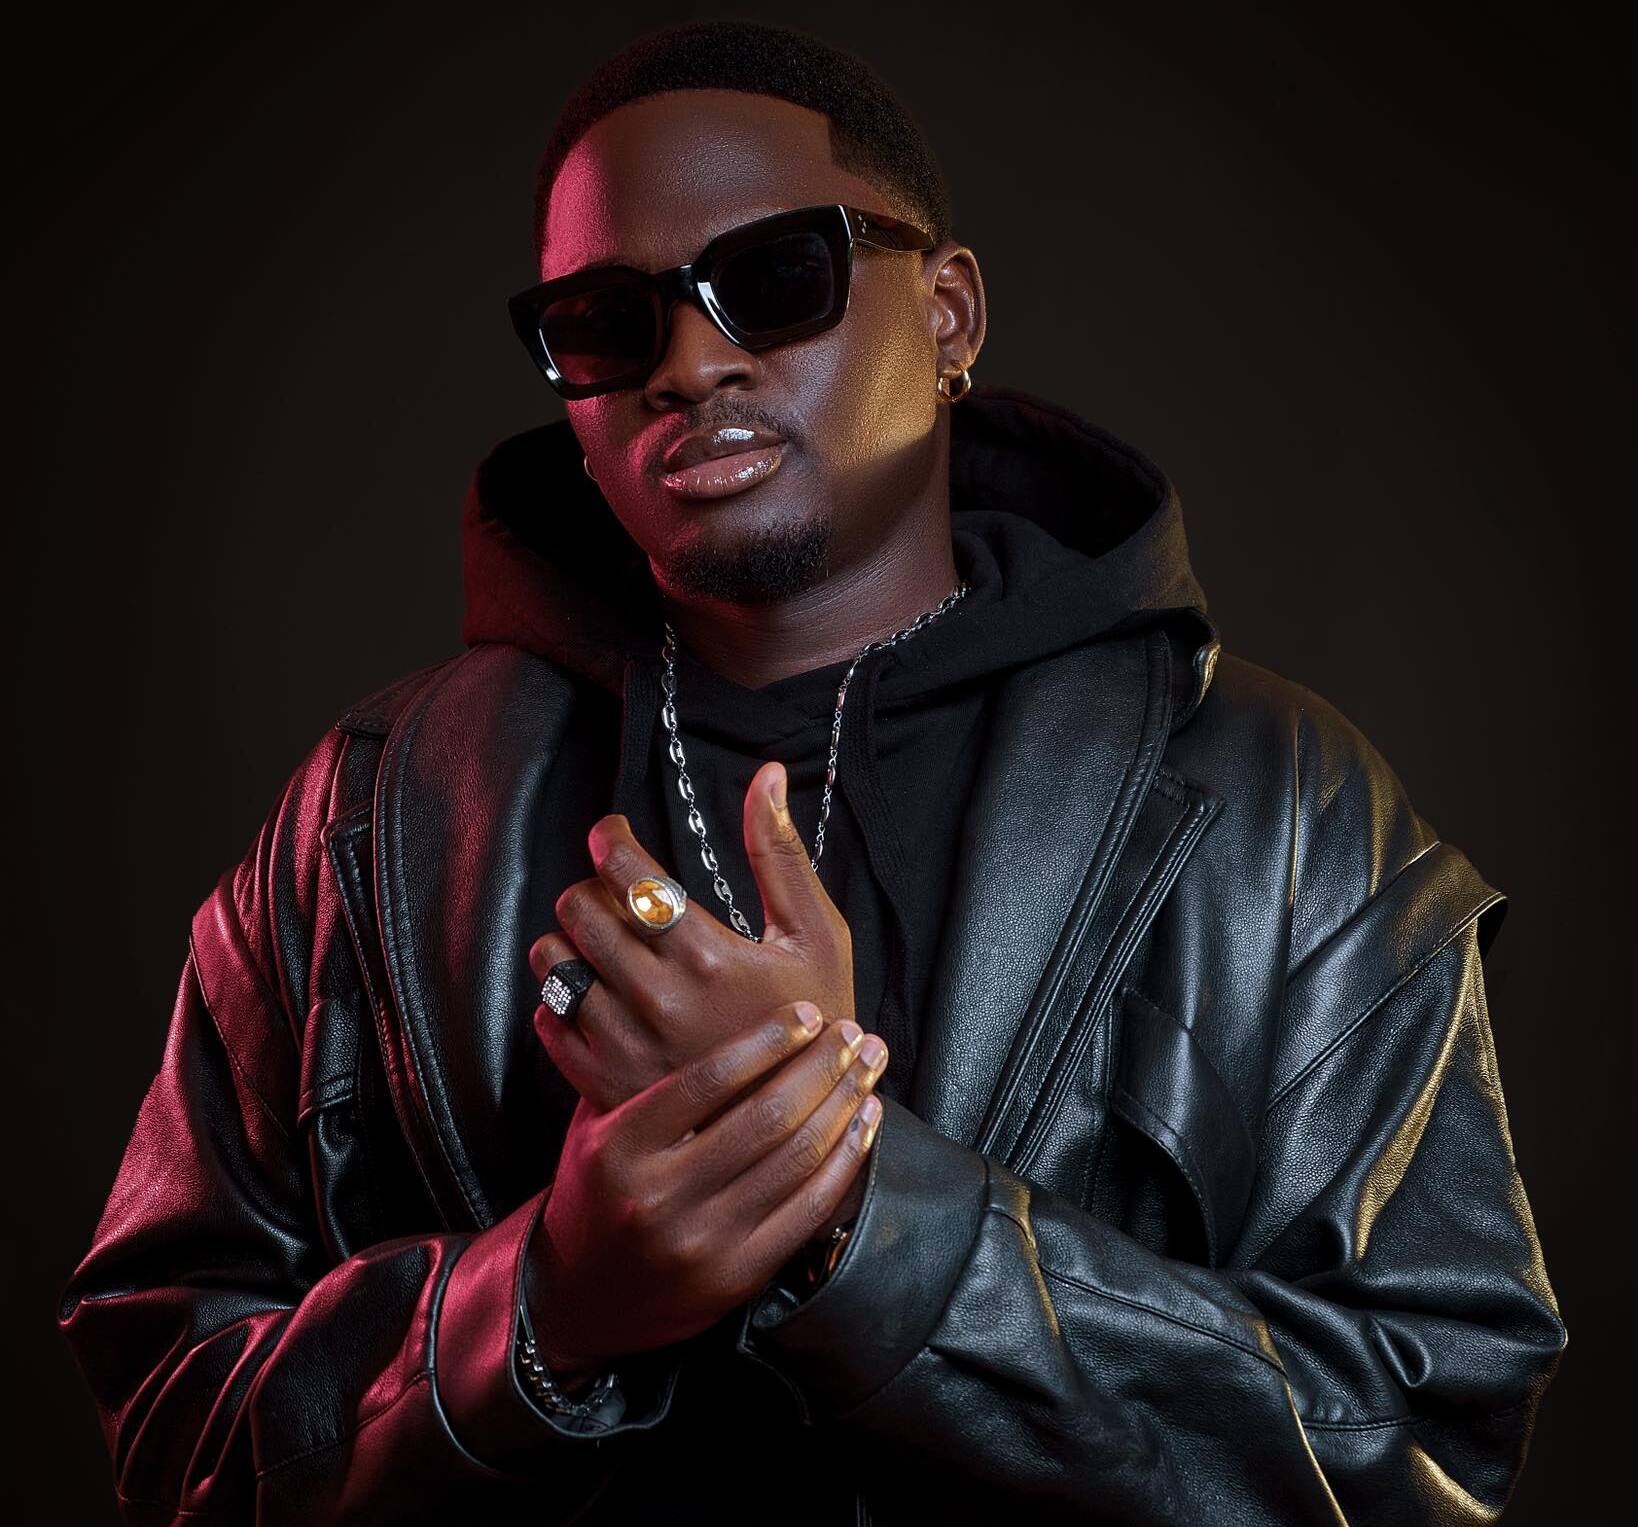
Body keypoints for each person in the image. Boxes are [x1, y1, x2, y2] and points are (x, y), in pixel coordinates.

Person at [60, 19, 1565, 1526]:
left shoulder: (1275, 800)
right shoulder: (373, 811)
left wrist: (854, 1204)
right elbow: (168, 1417)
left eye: (777, 278)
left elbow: (1427, 1442)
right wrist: (545, 1307)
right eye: (607, 323)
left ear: (950, 313)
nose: (690, 364)